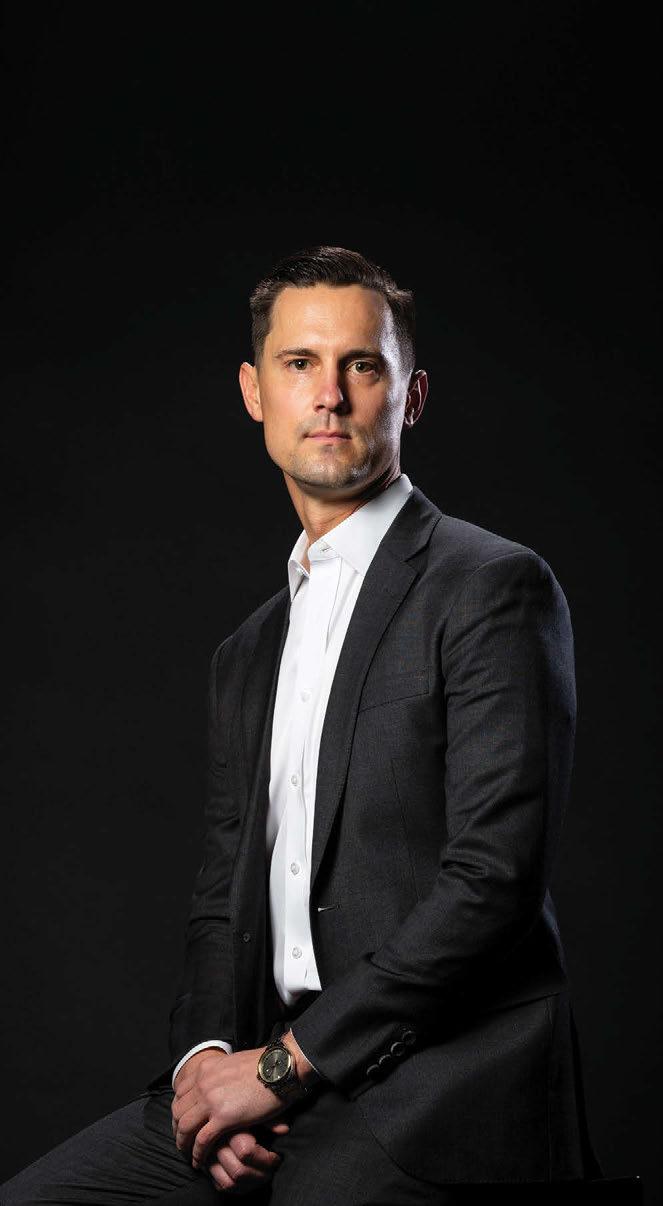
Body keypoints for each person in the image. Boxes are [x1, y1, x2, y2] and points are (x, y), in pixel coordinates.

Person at [1, 246, 599, 1205]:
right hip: (266, 1077)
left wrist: (282, 1068)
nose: (329, 395)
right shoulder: (247, 651)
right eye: (299, 364)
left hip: (429, 1092)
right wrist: (207, 1067)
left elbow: (493, 882)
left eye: (361, 366)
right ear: (254, 392)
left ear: (409, 397)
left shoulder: (489, 587)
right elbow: (218, 899)